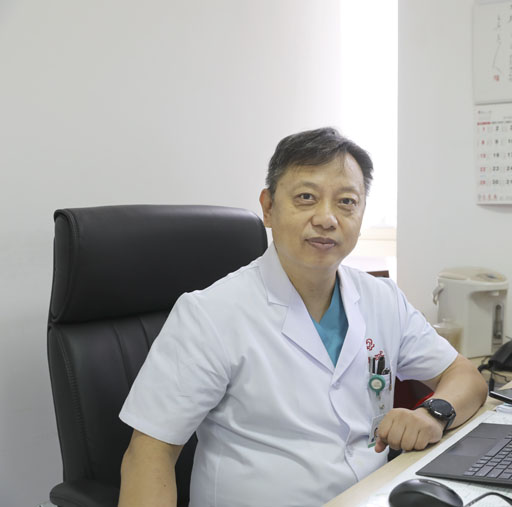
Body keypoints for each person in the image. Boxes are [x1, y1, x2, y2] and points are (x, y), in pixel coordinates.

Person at [118, 127, 488, 506]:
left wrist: (433, 414)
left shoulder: (382, 298)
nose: (326, 218)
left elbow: (465, 377)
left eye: (346, 202)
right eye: (306, 197)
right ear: (268, 207)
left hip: (370, 497)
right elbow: (149, 452)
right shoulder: (210, 314)